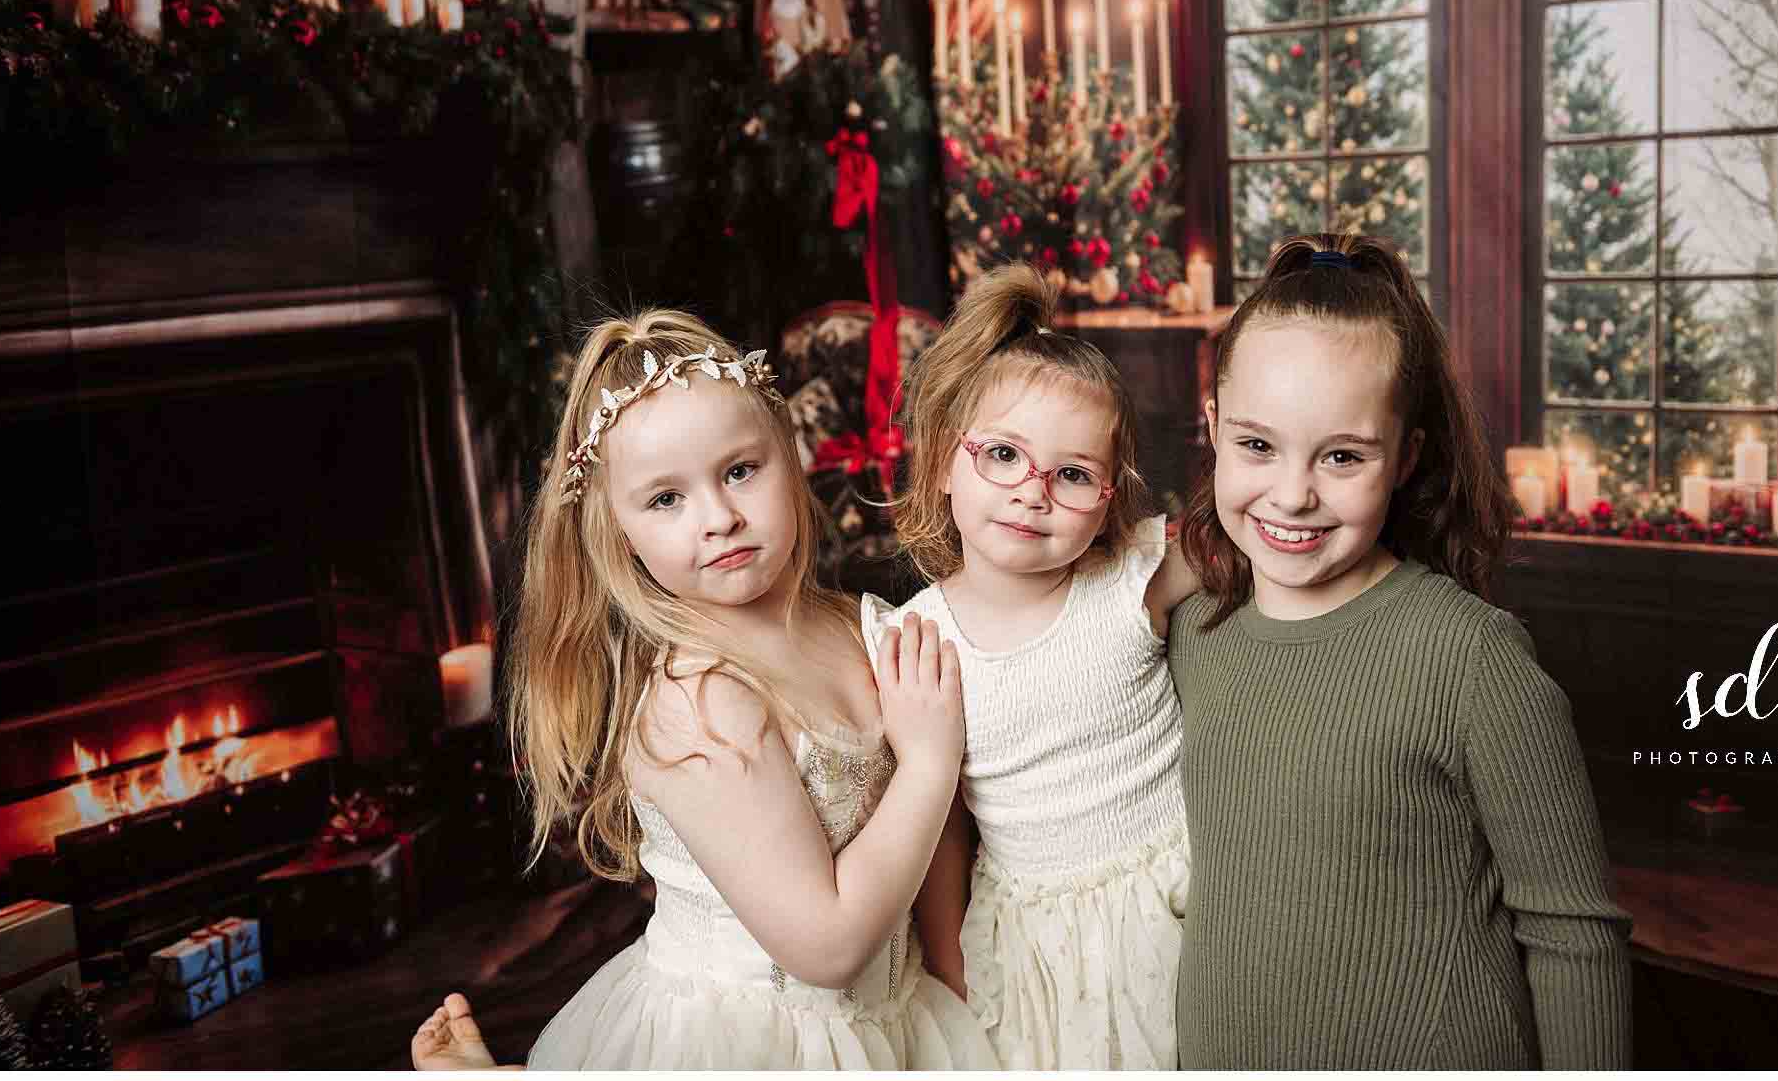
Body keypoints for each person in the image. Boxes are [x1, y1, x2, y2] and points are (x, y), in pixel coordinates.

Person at [410, 311, 996, 1069]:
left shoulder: (863, 628)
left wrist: (952, 979)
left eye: (740, 470)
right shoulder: (697, 702)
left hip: (898, 1006)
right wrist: (925, 761)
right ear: (620, 531)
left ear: (790, 456)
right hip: (760, 1034)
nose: (718, 518)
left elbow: (939, 827)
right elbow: (828, 946)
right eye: (665, 499)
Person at [1169, 233, 1633, 1068]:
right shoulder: (1195, 629)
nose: (1292, 492)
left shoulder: (1473, 661)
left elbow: (1575, 936)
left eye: (1342, 455)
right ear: (1213, 430)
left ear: (1406, 457)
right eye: (1257, 445)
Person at [867, 264, 1200, 1068]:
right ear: (947, 463)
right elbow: (939, 814)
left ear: (1111, 499)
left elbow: (1249, 530)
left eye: (1073, 474)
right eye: (1004, 455)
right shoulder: (920, 637)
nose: (1032, 492)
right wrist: (947, 959)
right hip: (1034, 937)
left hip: (1182, 896)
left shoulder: (1132, 577)